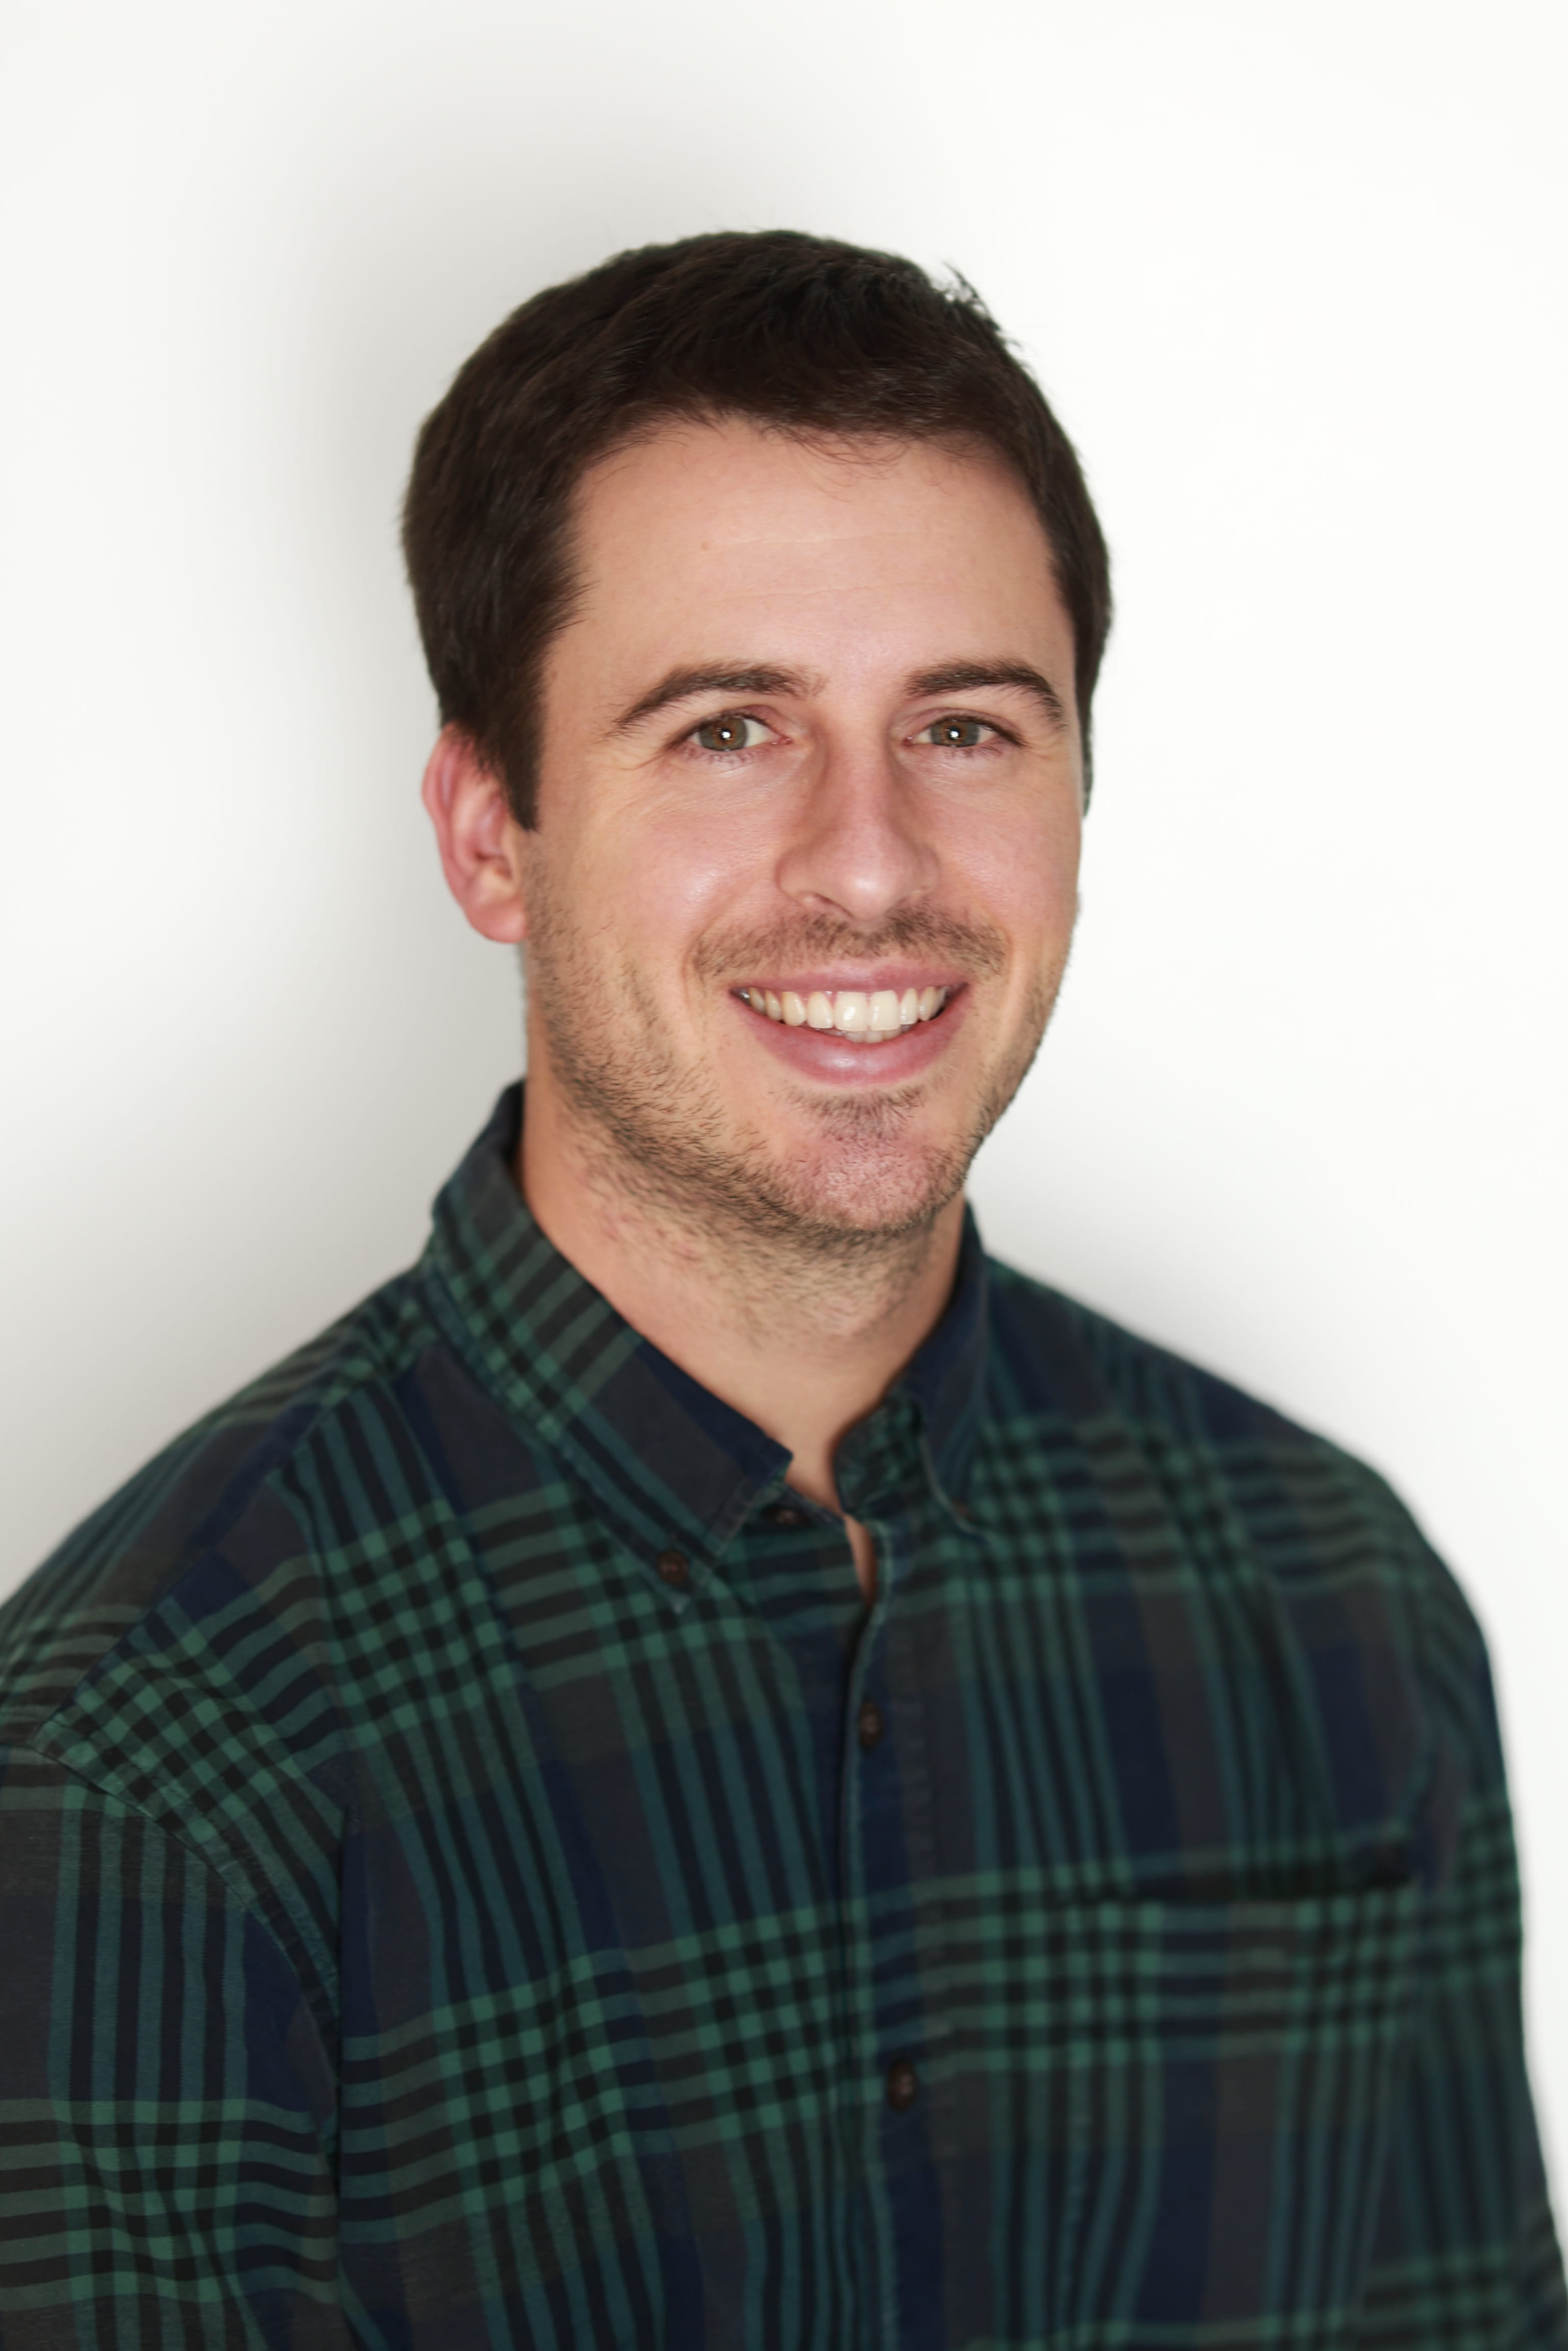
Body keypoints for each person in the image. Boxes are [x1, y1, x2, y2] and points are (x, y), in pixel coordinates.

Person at [0, 230, 1560, 2350]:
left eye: (965, 727)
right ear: (490, 832)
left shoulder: (1333, 1601)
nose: (870, 862)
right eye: (729, 727)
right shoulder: (146, 1760)